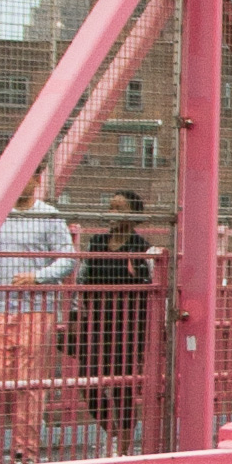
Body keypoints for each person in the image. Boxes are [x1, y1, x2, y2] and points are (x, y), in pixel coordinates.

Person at [0, 184, 79, 464]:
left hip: (38, 308)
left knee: (30, 382)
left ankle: (25, 451)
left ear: (34, 180)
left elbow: (67, 258)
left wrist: (39, 277)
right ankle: (23, 435)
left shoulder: (49, 215)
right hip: (2, 307)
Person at [71, 186, 154, 444]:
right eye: (111, 207)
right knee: (88, 382)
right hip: (97, 322)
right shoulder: (96, 243)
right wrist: (75, 316)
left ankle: (126, 446)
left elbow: (152, 285)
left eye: (119, 208)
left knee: (122, 386)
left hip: (129, 325)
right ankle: (114, 431)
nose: (112, 212)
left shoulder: (141, 248)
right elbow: (82, 280)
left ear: (133, 215)